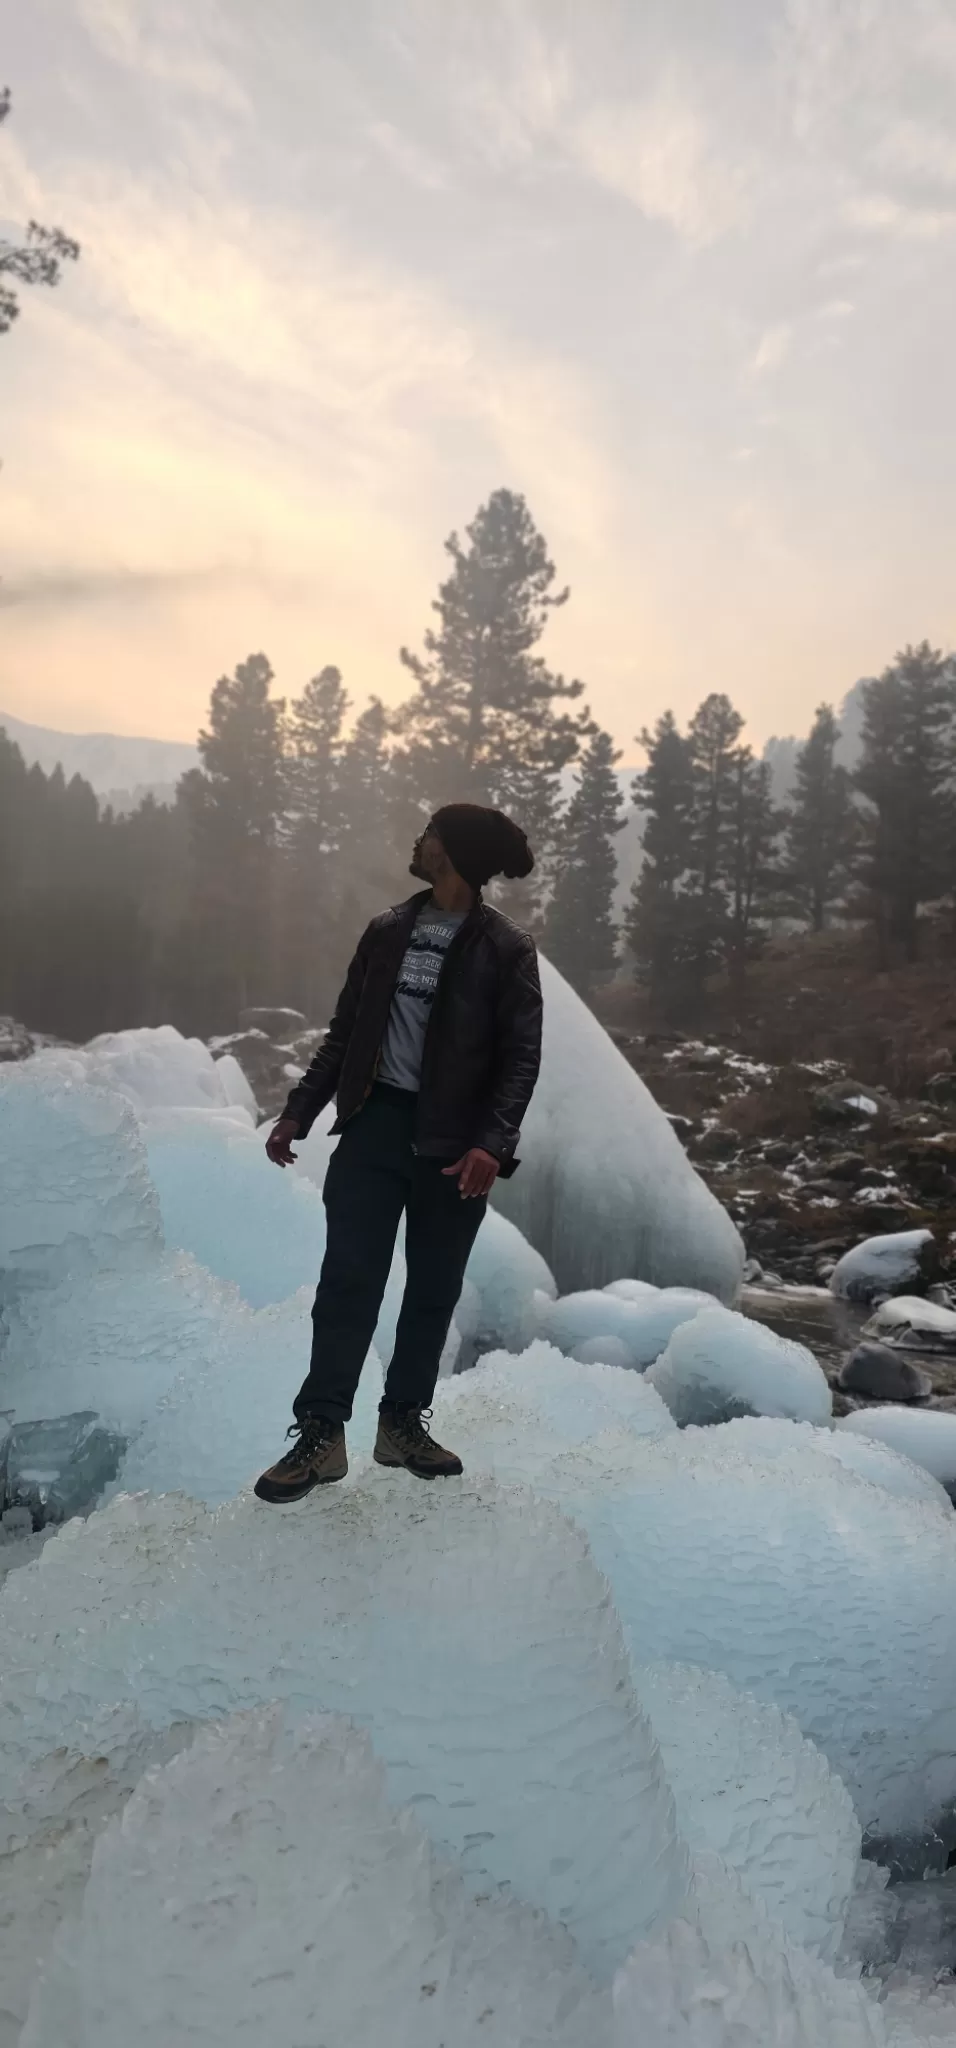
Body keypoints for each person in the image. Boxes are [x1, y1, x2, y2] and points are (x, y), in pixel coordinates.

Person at [254, 802, 543, 1503]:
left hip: (454, 1144)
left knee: (434, 1287)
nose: (420, 841)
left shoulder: (505, 949)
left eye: (432, 832)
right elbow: (345, 1033)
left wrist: (491, 1144)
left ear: (457, 852)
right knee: (348, 1281)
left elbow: (520, 1059)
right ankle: (321, 1434)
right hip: (373, 1126)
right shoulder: (388, 930)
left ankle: (402, 1423)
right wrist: (299, 1110)